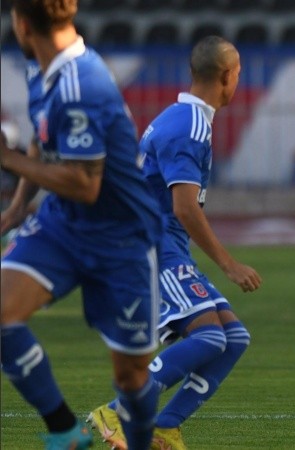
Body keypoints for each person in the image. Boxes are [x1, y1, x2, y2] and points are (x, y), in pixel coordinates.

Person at [0, 1, 163, 449]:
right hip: (63, 226)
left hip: (121, 238)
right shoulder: (46, 71)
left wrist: (6, 159)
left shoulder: (80, 83)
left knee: (130, 378)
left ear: (21, 23)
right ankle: (66, 433)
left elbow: (84, 183)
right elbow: (41, 139)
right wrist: (16, 211)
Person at [88, 36, 261, 450]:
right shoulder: (191, 127)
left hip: (162, 243)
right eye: (238, 72)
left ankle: (164, 427)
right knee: (210, 338)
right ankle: (118, 410)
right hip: (150, 244)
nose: (239, 79)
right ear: (225, 76)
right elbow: (184, 208)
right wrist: (228, 264)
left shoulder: (180, 117)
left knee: (234, 338)